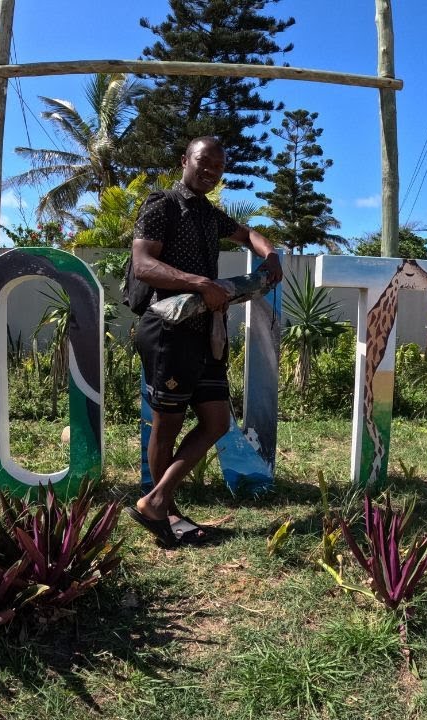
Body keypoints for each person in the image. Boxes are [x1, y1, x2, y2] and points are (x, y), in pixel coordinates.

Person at [128, 136, 283, 547]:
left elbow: (249, 234)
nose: (211, 171)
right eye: (204, 162)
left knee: (216, 421)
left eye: (218, 166)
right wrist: (200, 283)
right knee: (167, 424)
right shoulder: (162, 205)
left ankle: (156, 501)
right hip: (168, 329)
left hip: (205, 331)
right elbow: (142, 265)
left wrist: (271, 255)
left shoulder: (208, 214)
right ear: (185, 160)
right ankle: (165, 511)